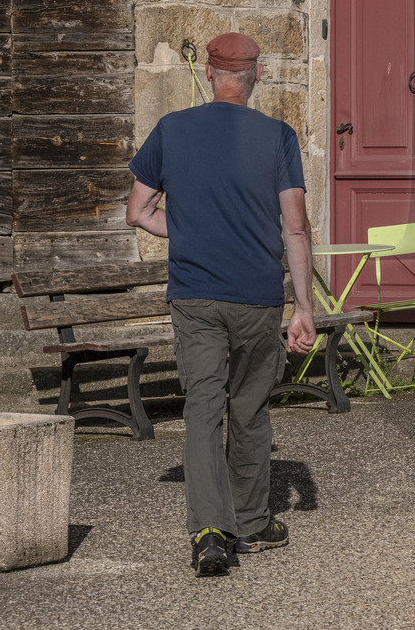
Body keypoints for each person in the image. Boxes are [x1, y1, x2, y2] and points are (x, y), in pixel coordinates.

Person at [125, 32, 317, 577]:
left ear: (209, 73)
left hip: (196, 296)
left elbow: (138, 212)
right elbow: (296, 226)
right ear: (255, 77)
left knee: (203, 407)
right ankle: (253, 522)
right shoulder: (279, 137)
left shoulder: (172, 130)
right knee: (249, 407)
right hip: (257, 297)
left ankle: (210, 531)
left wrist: (185, 233)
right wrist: (303, 308)